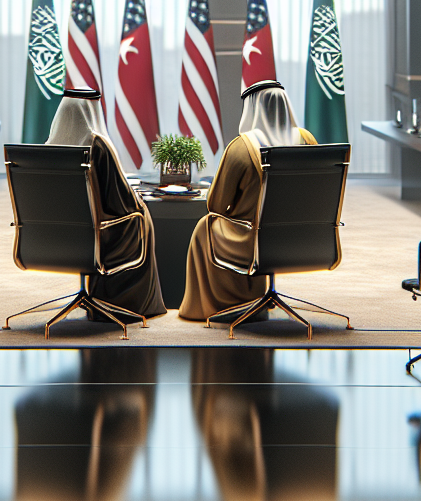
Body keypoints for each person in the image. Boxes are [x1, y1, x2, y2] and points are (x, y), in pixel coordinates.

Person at [177, 81, 318, 322]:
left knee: (206, 226)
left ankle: (222, 305)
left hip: (252, 240)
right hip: (303, 238)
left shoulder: (242, 147)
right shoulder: (307, 139)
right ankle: (254, 298)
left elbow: (216, 206)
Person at [44, 88, 167, 322]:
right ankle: (128, 303)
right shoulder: (97, 145)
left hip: (52, 239)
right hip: (98, 238)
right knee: (141, 217)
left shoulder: (48, 149)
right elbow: (120, 201)